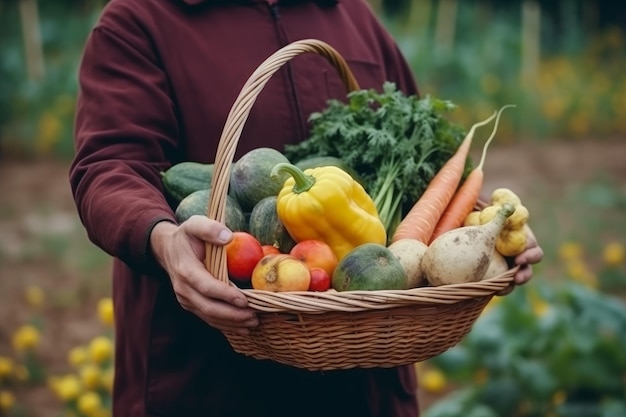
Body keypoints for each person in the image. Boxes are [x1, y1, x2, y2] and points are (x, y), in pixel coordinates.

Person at [69, 0, 544, 416]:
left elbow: (426, 166)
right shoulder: (138, 20)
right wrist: (161, 236)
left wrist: (485, 231)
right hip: (210, 374)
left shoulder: (350, 14)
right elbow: (108, 166)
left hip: (365, 381)